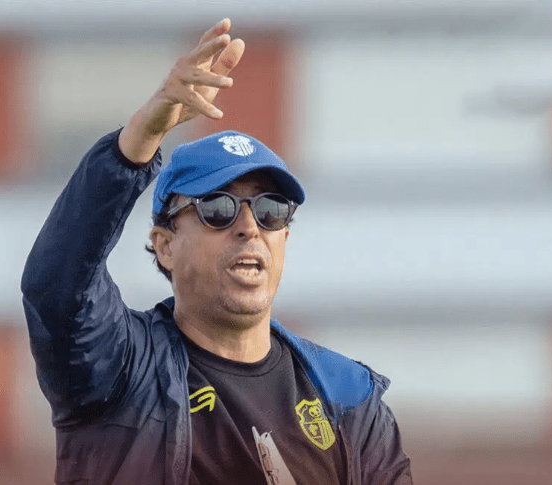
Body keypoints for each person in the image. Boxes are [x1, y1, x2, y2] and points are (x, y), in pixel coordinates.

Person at [21, 18, 413, 485]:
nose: (249, 227)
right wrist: (136, 144)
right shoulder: (120, 366)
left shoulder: (347, 394)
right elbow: (57, 286)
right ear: (165, 245)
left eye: (270, 210)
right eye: (218, 208)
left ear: (285, 238)